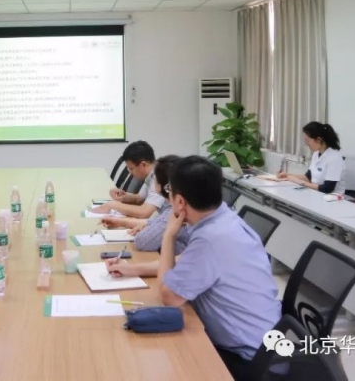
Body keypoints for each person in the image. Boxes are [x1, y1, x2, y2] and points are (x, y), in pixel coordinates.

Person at [110, 156, 280, 380]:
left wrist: (169, 236)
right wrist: (133, 269)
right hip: (264, 340)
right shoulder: (224, 220)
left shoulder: (211, 238)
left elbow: (168, 297)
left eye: (169, 191)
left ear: (179, 201)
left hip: (247, 357)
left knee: (148, 362)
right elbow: (183, 266)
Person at [101, 155, 182, 251]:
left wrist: (114, 205)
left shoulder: (174, 212)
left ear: (164, 186)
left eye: (155, 179)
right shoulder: (174, 208)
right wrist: (119, 221)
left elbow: (141, 242)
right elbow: (153, 221)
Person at [91, 141, 167, 219]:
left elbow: (144, 212)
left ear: (143, 164)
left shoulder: (160, 177)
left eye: (131, 168)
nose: (130, 172)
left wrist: (114, 205)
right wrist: (123, 196)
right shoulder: (152, 173)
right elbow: (139, 199)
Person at [277, 122, 345, 194]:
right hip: (316, 194)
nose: (307, 144)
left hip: (332, 198)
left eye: (308, 141)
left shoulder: (334, 158)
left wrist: (300, 182)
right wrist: (288, 175)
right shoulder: (316, 154)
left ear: (319, 140)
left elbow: (327, 188)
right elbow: (308, 177)